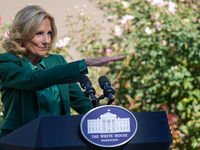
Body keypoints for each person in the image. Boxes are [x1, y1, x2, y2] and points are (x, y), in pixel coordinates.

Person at [0, 5, 126, 149]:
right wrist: (84, 63)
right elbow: (34, 79)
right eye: (39, 33)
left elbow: (80, 101)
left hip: (57, 141)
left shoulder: (57, 61)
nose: (46, 40)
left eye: (49, 33)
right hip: (18, 142)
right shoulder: (5, 62)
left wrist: (106, 116)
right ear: (22, 34)